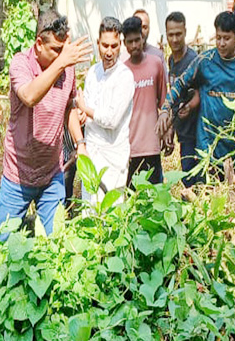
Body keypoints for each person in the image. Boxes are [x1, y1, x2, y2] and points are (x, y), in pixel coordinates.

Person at [0, 9, 91, 236]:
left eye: (64, 50)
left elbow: (69, 107)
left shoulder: (66, 67)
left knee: (55, 243)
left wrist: (80, 143)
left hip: (51, 173)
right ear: (39, 43)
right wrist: (62, 62)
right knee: (2, 242)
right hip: (18, 174)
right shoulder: (21, 64)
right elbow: (29, 97)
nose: (62, 56)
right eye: (56, 50)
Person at [159, 11, 235, 181]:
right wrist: (165, 109)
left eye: (226, 38)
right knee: (204, 194)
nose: (221, 43)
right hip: (206, 147)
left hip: (233, 144)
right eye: (218, 37)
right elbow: (180, 84)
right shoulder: (205, 61)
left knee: (231, 196)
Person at [73, 17, 135, 202]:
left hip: (113, 158)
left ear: (121, 45)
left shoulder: (125, 77)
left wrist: (85, 108)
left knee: (111, 218)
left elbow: (111, 120)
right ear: (97, 43)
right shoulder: (92, 73)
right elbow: (89, 109)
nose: (109, 52)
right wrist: (82, 113)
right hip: (91, 154)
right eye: (105, 45)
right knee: (89, 214)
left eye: (114, 46)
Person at [121, 15, 168, 186]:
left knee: (154, 199)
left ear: (143, 38)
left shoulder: (156, 64)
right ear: (124, 43)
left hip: (152, 145)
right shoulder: (122, 71)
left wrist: (167, 132)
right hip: (129, 147)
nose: (134, 45)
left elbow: (164, 103)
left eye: (137, 40)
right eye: (130, 42)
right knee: (133, 200)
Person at [164, 11, 200, 186]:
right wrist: (171, 127)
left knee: (195, 182)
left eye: (178, 34)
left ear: (185, 31)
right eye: (171, 35)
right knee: (187, 180)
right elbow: (175, 98)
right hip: (182, 132)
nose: (175, 39)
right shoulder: (171, 61)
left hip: (196, 135)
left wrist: (191, 106)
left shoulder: (194, 61)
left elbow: (201, 93)